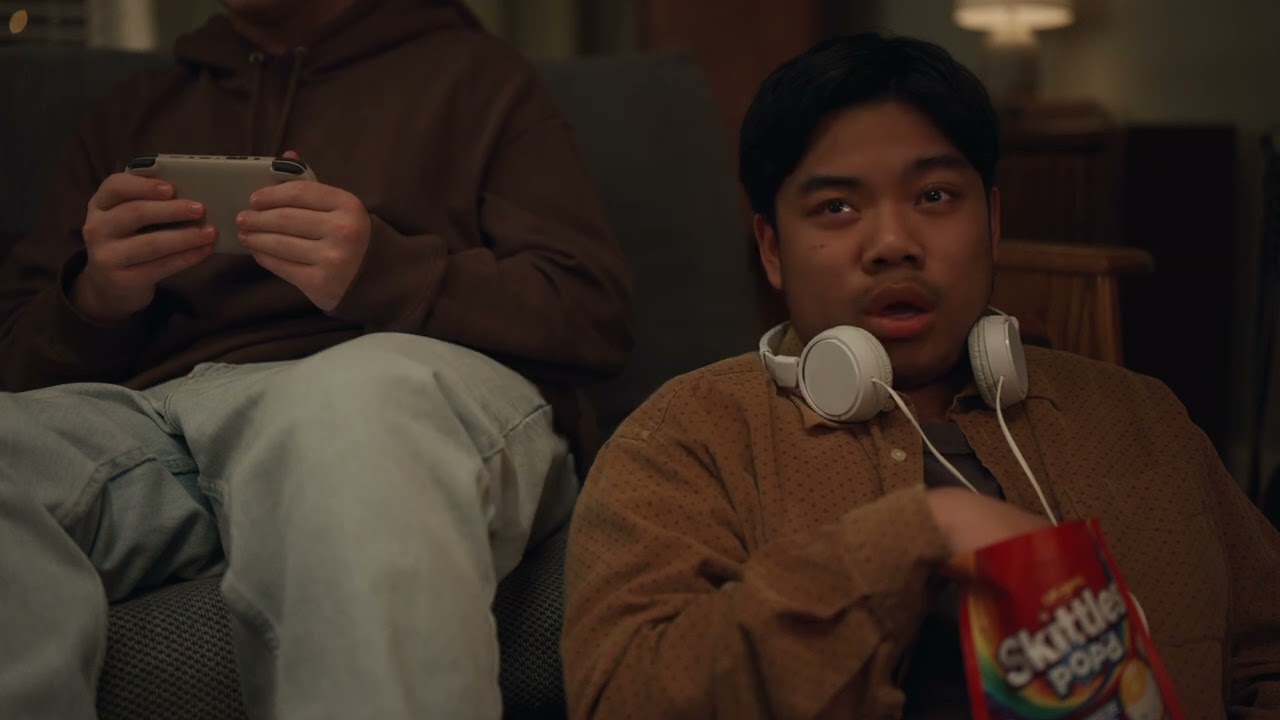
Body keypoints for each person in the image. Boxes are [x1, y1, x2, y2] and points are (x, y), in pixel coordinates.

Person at [561, 33, 1280, 718]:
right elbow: (624, 696)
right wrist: (924, 531)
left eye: (934, 196)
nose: (893, 244)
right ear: (772, 250)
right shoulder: (687, 440)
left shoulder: (1141, 417)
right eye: (837, 207)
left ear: (991, 220)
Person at [0, 0, 633, 718]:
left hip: (389, 383)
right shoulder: (132, 113)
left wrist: (382, 272)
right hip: (157, 423)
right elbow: (16, 365)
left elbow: (593, 315)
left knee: (351, 405)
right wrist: (97, 294)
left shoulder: (479, 78)